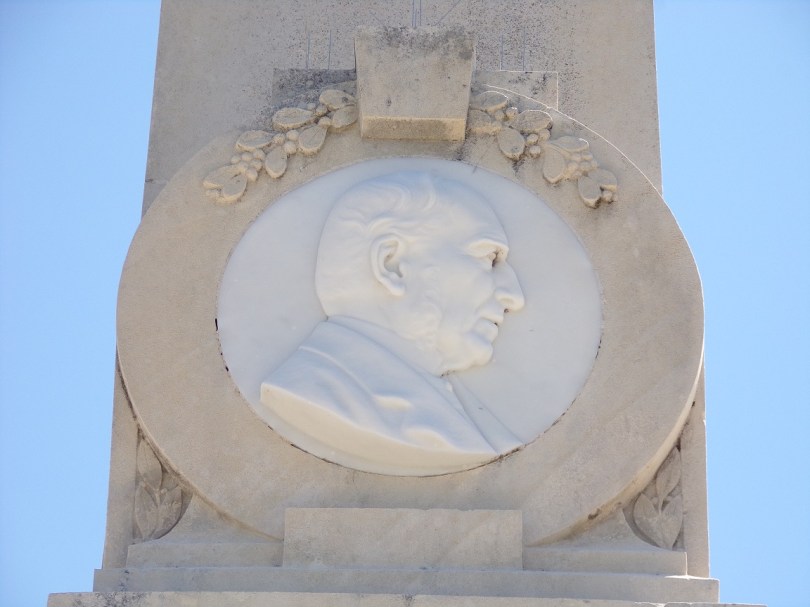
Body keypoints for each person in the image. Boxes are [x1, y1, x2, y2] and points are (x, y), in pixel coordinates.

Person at [260, 171, 526, 475]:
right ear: (390, 264)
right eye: (488, 259)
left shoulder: (460, 417)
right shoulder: (320, 392)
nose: (514, 297)